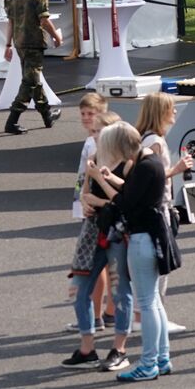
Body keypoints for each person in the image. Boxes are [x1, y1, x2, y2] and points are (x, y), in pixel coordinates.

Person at [85, 122, 170, 382]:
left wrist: (101, 179)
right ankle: (161, 357)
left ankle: (148, 363)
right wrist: (113, 179)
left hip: (142, 237)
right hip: (150, 236)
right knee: (153, 300)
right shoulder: (148, 160)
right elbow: (133, 191)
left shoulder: (143, 165)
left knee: (146, 303)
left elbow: (124, 203)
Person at [64, 116, 135, 372]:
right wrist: (86, 201)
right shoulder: (95, 157)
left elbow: (126, 201)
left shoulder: (128, 165)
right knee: (79, 288)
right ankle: (87, 348)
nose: (94, 136)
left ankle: (120, 348)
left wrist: (98, 199)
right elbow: (85, 192)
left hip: (117, 233)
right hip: (93, 231)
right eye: (94, 132)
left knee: (119, 290)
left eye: (100, 133)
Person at [134, 93, 194, 334]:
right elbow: (153, 177)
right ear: (161, 113)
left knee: (152, 266)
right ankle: (153, 316)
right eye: (172, 109)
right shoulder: (155, 142)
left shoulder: (145, 139)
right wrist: (177, 169)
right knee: (161, 264)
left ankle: (142, 315)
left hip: (154, 209)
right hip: (159, 209)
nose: (175, 113)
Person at [2, 0, 63, 135]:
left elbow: (11, 21)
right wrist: (57, 37)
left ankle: (47, 115)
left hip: (20, 42)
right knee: (29, 82)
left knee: (33, 79)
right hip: (34, 42)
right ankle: (12, 120)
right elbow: (44, 20)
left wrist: (8, 44)